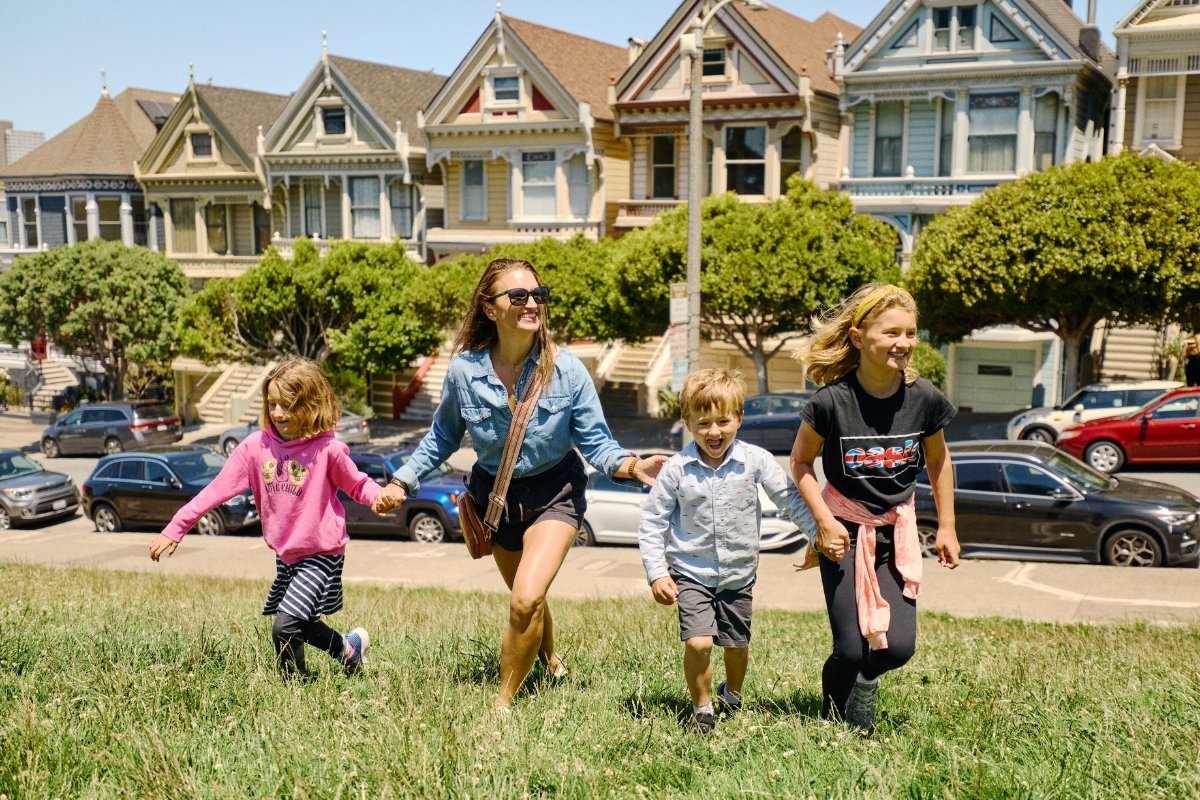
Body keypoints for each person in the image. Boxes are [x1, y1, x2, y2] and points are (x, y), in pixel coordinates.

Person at [373, 258, 667, 711]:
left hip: (555, 493)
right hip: (496, 499)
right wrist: (403, 482)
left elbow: (597, 443)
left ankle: (503, 704)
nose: (532, 303)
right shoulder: (464, 373)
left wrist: (632, 466)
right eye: (519, 296)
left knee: (526, 597)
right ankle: (550, 658)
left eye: (538, 295)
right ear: (491, 309)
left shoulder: (566, 370)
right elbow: (443, 438)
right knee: (527, 595)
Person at [790, 283, 959, 733]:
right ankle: (830, 715)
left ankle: (865, 685)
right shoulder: (830, 402)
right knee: (849, 647)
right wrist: (823, 523)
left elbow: (940, 461)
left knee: (898, 647)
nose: (903, 343)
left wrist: (947, 527)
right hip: (842, 532)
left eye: (910, 333)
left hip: (896, 529)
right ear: (859, 338)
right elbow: (801, 463)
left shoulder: (924, 398)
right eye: (891, 333)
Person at [149, 358, 381, 680]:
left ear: (311, 404)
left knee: (285, 625)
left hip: (321, 553)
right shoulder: (254, 448)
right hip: (286, 554)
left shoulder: (328, 448)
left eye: (288, 405)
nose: (279, 413)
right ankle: (350, 649)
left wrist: (379, 497)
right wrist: (177, 528)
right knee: (303, 622)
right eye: (272, 403)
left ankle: (296, 687)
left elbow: (357, 483)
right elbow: (216, 490)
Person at [638, 368, 815, 734]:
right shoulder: (676, 470)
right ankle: (702, 709)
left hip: (738, 573)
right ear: (687, 422)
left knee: (736, 646)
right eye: (703, 423)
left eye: (724, 421)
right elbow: (652, 522)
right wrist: (657, 572)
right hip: (691, 572)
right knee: (699, 641)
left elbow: (789, 499)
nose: (714, 432)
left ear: (739, 418)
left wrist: (816, 534)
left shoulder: (756, 461)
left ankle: (731, 695)